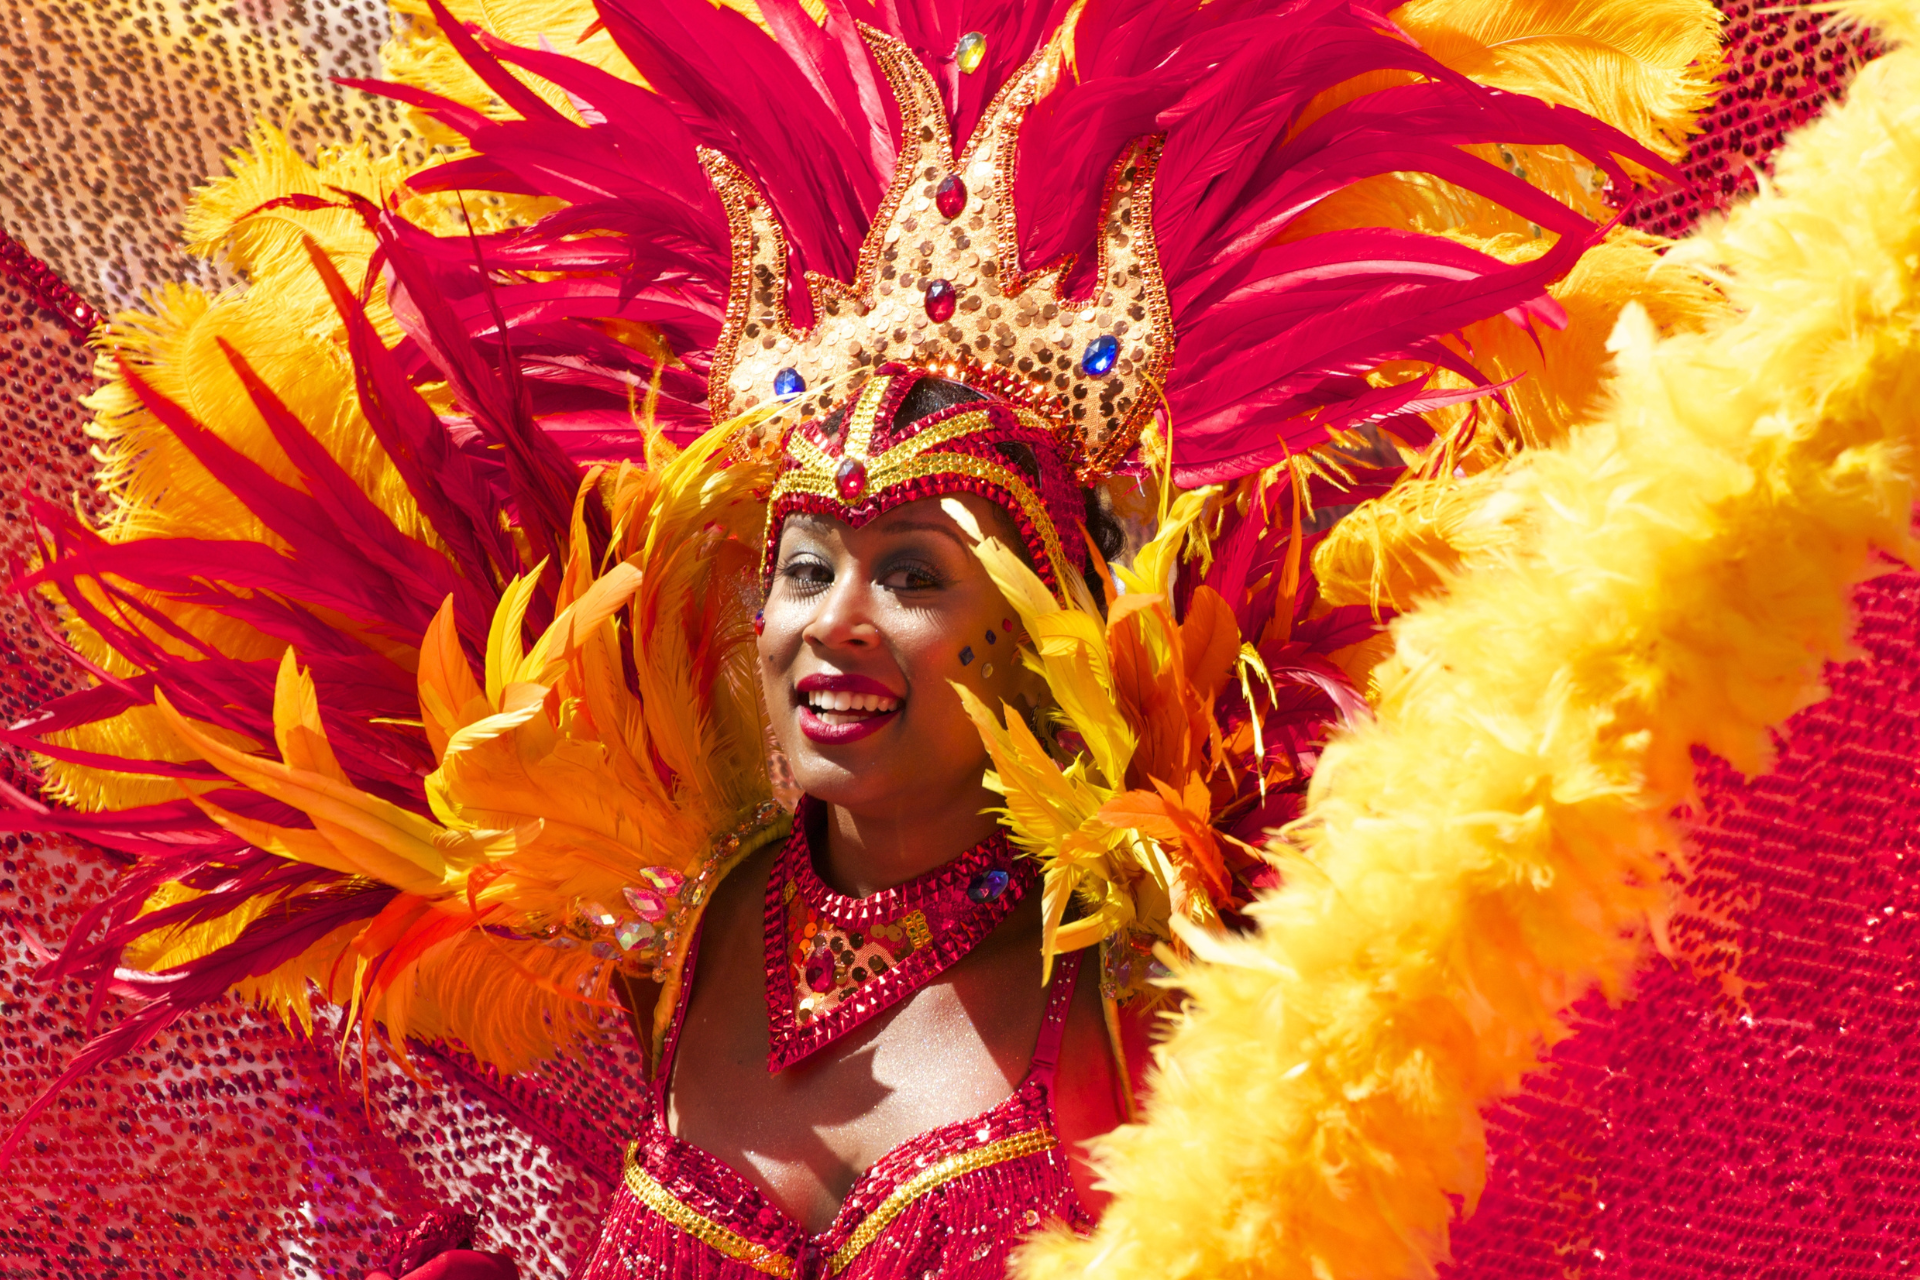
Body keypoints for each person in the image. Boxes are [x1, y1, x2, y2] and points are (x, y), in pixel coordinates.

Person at [0, 0, 1752, 1275]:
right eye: (807, 560)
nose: (835, 620)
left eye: (916, 571)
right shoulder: (703, 909)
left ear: (1041, 614)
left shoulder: (1172, 980)